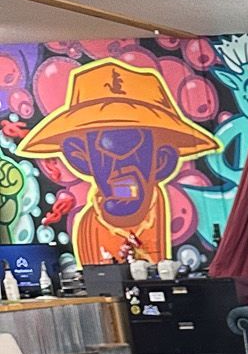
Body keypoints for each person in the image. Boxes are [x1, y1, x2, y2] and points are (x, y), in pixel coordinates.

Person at [17, 60, 217, 265]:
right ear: (80, 159)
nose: (117, 168)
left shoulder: (174, 215)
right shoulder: (88, 226)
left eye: (127, 148)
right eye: (103, 152)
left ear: (162, 161)